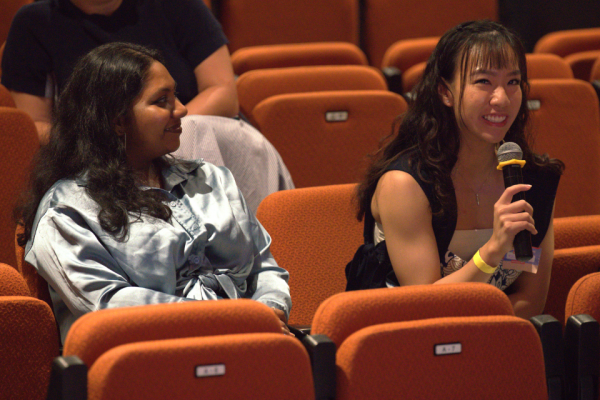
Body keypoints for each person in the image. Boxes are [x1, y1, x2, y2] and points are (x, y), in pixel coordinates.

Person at [15, 42, 292, 343]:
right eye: (162, 101)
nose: (183, 110)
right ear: (118, 121)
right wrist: (233, 321)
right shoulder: (68, 210)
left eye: (176, 96)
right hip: (147, 358)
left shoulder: (212, 178)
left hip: (253, 341)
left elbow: (264, 266)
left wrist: (269, 310)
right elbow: (108, 303)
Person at [346, 20, 564, 320]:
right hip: (407, 344)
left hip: (500, 341)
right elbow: (427, 306)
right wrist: (493, 249)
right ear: (445, 93)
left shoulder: (532, 182)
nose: (501, 98)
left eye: (513, 82)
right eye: (483, 82)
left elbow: (530, 300)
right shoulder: (405, 185)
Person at [1, 0, 294, 212]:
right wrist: (117, 140)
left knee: (190, 130)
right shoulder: (34, 23)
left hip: (203, 137)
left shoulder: (178, 6)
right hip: (100, 152)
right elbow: (36, 126)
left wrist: (161, 126)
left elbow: (222, 92)